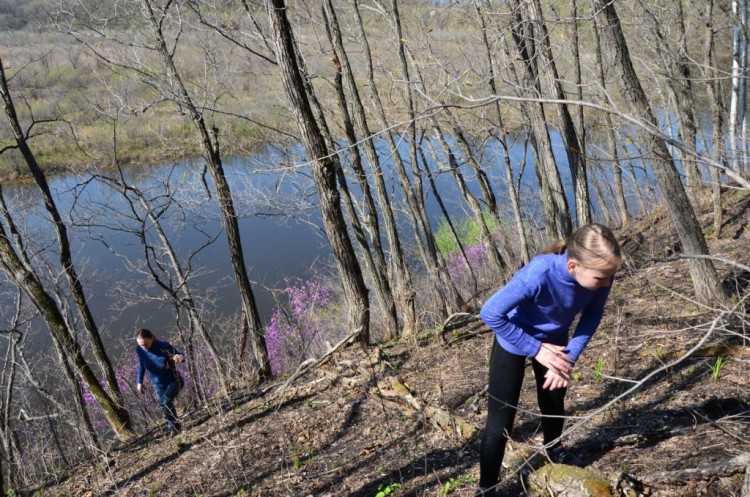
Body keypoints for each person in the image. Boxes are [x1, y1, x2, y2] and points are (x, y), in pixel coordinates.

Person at [475, 224, 621, 497]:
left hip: (556, 344)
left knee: (554, 402)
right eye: (601, 277)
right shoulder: (539, 273)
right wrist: (537, 349)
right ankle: (486, 488)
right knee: (501, 420)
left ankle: (554, 449)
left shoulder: (602, 275)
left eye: (610, 276)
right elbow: (490, 313)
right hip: (514, 340)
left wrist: (568, 357)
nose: (607, 283)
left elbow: (592, 317)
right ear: (573, 266)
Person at [135, 328, 186, 435]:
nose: (144, 347)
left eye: (146, 344)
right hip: (158, 384)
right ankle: (173, 427)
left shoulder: (164, 346)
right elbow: (141, 365)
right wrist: (139, 381)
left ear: (152, 338)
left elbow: (180, 355)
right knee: (164, 405)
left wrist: (179, 357)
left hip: (173, 380)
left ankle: (174, 427)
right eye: (141, 345)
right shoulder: (140, 350)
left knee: (166, 402)